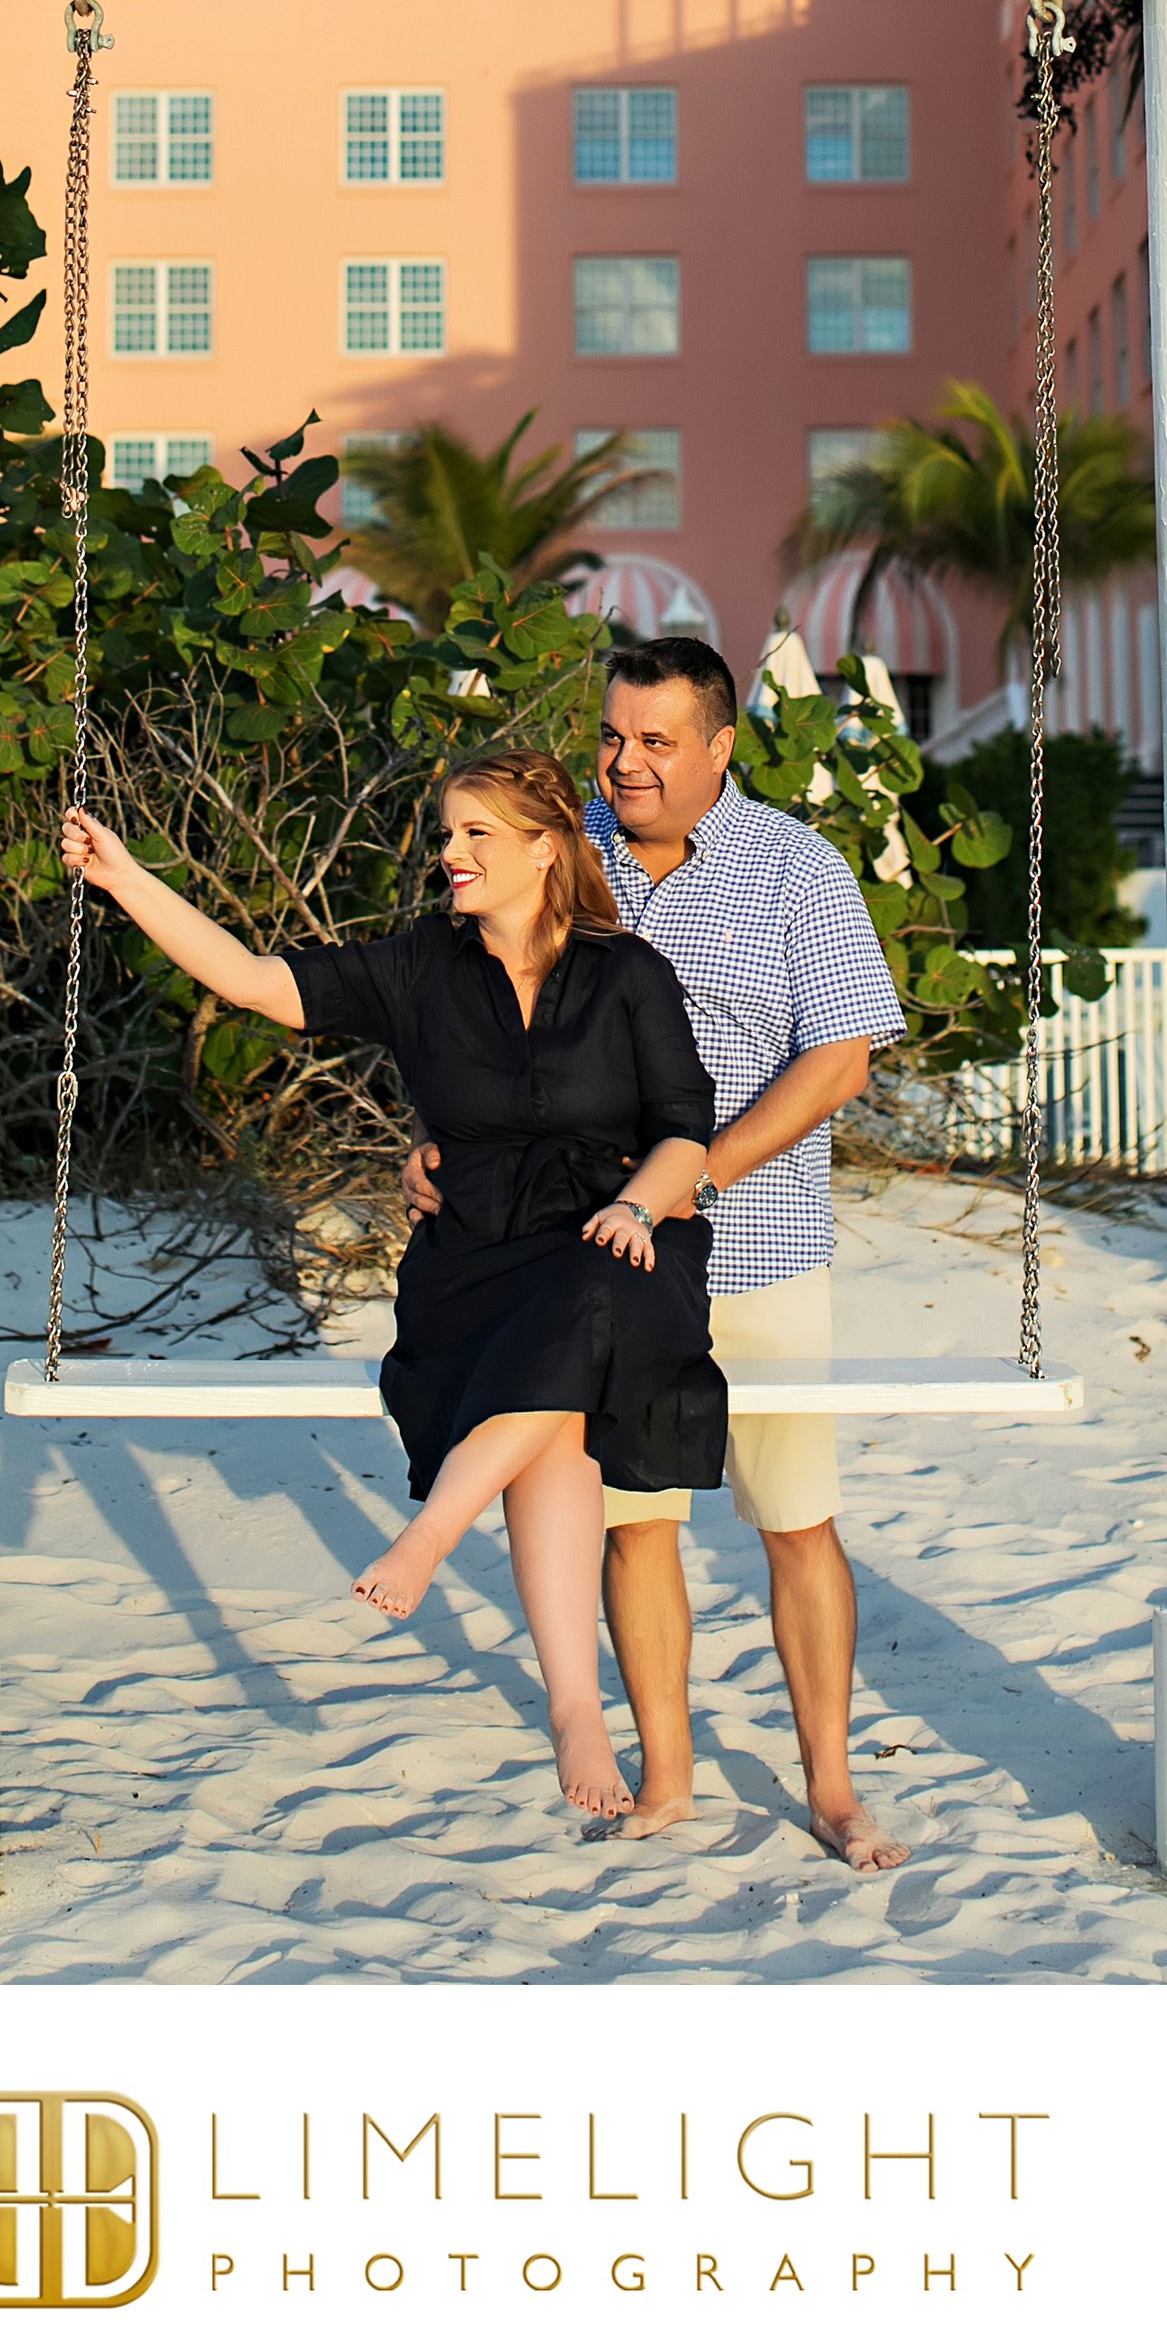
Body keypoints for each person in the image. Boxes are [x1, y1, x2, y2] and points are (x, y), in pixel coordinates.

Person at [62, 749, 725, 1822]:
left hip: (621, 1236)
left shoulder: (626, 971)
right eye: (446, 834)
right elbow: (255, 981)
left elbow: (684, 1127)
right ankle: (572, 1704)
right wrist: (124, 877)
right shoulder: (423, 966)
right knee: (550, 1416)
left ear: (544, 849)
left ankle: (432, 1536)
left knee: (587, 1296)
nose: (449, 855)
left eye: (476, 836)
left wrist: (640, 1204)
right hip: (472, 1252)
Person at [404, 636, 910, 1869]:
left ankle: (833, 1787)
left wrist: (687, 1177)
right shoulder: (547, 849)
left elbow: (839, 1059)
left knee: (796, 1521)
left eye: (656, 742)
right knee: (636, 1525)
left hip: (763, 1248)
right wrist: (435, 1146)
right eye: (613, 738)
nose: (625, 763)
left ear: (720, 746)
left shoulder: (797, 868)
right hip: (587, 1266)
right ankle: (669, 1774)